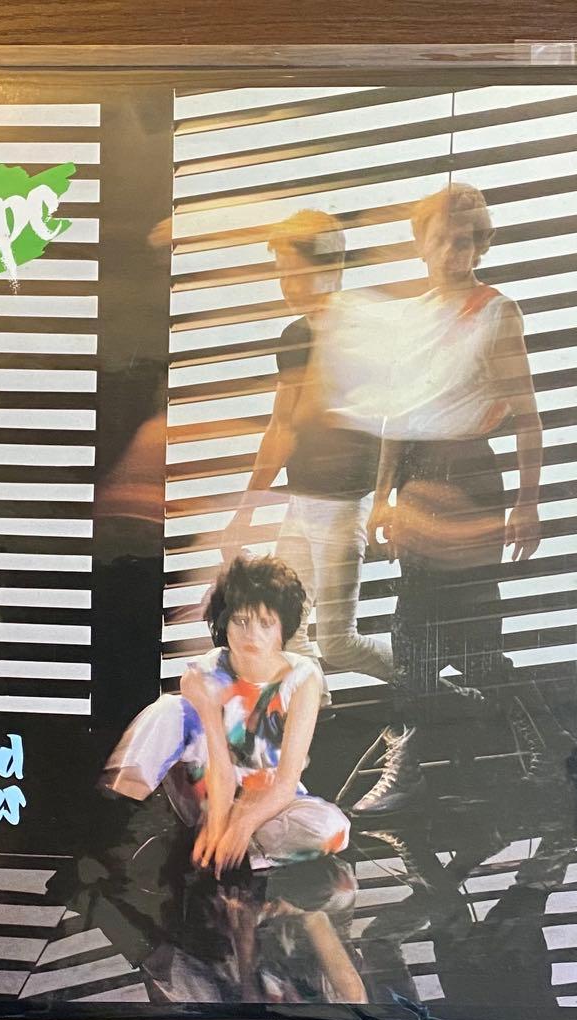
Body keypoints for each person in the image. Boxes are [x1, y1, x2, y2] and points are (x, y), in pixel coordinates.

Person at [350, 181, 545, 817]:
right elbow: (395, 417)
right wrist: (383, 496)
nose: (455, 251)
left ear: (481, 245)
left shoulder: (497, 312)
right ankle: (417, 765)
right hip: (416, 479)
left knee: (464, 639)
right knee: (416, 636)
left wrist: (527, 504)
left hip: (470, 478)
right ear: (421, 244)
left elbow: (527, 417)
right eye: (443, 239)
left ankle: (544, 754)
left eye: (467, 240)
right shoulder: (409, 319)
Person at [221, 211, 392, 686]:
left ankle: (437, 692)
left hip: (344, 505)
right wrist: (245, 511)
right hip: (303, 502)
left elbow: (392, 423)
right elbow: (281, 427)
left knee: (338, 640)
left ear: (332, 264)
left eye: (296, 272)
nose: (287, 285)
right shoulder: (295, 337)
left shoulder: (366, 333)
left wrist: (385, 503)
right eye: (282, 273)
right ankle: (316, 711)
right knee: (287, 628)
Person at [100, 555, 351, 878]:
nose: (252, 635)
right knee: (168, 709)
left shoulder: (303, 677)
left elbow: (286, 783)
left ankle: (227, 851)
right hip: (207, 793)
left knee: (333, 828)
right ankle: (116, 824)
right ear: (224, 622)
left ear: (283, 627)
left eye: (265, 623)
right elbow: (219, 765)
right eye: (241, 621)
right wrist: (218, 819)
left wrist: (242, 824)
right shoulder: (206, 671)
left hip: (269, 800)